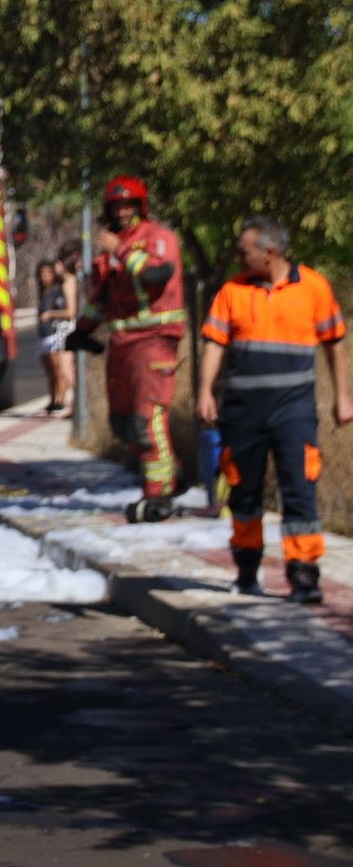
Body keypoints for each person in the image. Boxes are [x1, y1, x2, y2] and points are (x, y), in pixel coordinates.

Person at [197, 216, 353, 603]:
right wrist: (204, 391)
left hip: (293, 411)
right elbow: (214, 344)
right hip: (242, 413)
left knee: (299, 490)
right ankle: (247, 570)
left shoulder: (313, 287)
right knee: (243, 494)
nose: (238, 256)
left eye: (243, 251)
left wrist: (343, 397)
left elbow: (335, 344)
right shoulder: (231, 290)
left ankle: (303, 576)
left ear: (269, 254)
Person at [65, 176, 186, 523]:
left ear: (140, 206)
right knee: (122, 424)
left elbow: (156, 274)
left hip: (154, 340)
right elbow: (99, 300)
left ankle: (158, 495)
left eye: (128, 205)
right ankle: (171, 473)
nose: (121, 212)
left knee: (146, 420)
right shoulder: (109, 252)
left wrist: (120, 249)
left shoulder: (156, 239)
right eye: (116, 206)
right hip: (121, 344)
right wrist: (81, 331)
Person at [36, 258, 78, 415]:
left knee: (62, 370)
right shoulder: (44, 291)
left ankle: (64, 400)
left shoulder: (63, 286)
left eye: (49, 273)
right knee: (52, 371)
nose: (45, 277)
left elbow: (70, 312)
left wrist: (51, 314)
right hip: (44, 334)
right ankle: (54, 400)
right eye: (42, 274)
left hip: (58, 333)